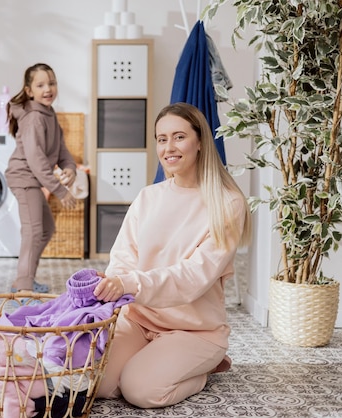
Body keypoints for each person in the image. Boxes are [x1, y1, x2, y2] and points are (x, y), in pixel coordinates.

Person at [94, 102, 252, 408]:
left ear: (201, 142)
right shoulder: (148, 197)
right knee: (98, 383)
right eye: (161, 138)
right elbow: (124, 256)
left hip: (195, 330)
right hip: (140, 319)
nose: (169, 147)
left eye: (179, 137)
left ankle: (204, 369)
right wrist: (115, 283)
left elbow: (194, 277)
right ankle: (154, 358)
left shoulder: (227, 203)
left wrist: (130, 284)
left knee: (139, 391)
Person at [5, 63, 78, 293]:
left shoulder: (49, 113)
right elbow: (36, 159)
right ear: (29, 91)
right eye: (41, 85)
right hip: (24, 178)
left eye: (52, 83)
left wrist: (70, 168)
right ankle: (24, 286)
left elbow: (61, 149)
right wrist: (60, 190)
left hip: (33, 179)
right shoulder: (34, 117)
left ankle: (26, 278)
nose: (48, 89)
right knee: (34, 231)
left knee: (45, 229)